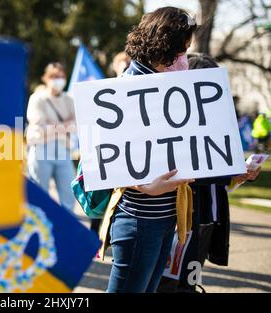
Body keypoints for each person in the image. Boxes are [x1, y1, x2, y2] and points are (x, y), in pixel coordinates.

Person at [97, 7, 197, 293]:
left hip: (166, 217)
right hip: (140, 220)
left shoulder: (167, 85)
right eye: (181, 50)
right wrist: (143, 186)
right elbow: (103, 161)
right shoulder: (123, 91)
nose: (183, 59)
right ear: (164, 45)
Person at [157, 53, 262, 293]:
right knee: (169, 283)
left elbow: (219, 181)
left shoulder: (218, 124)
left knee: (190, 282)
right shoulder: (177, 127)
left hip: (208, 220)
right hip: (185, 221)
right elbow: (188, 174)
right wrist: (230, 173)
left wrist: (238, 176)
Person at [26, 62, 77, 211]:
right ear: (46, 78)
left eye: (61, 76)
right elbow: (39, 128)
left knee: (69, 196)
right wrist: (64, 125)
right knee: (40, 195)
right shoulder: (37, 98)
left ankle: (65, 231)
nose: (58, 79)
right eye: (54, 76)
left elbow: (75, 126)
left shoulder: (70, 100)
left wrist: (51, 125)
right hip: (41, 148)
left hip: (63, 150)